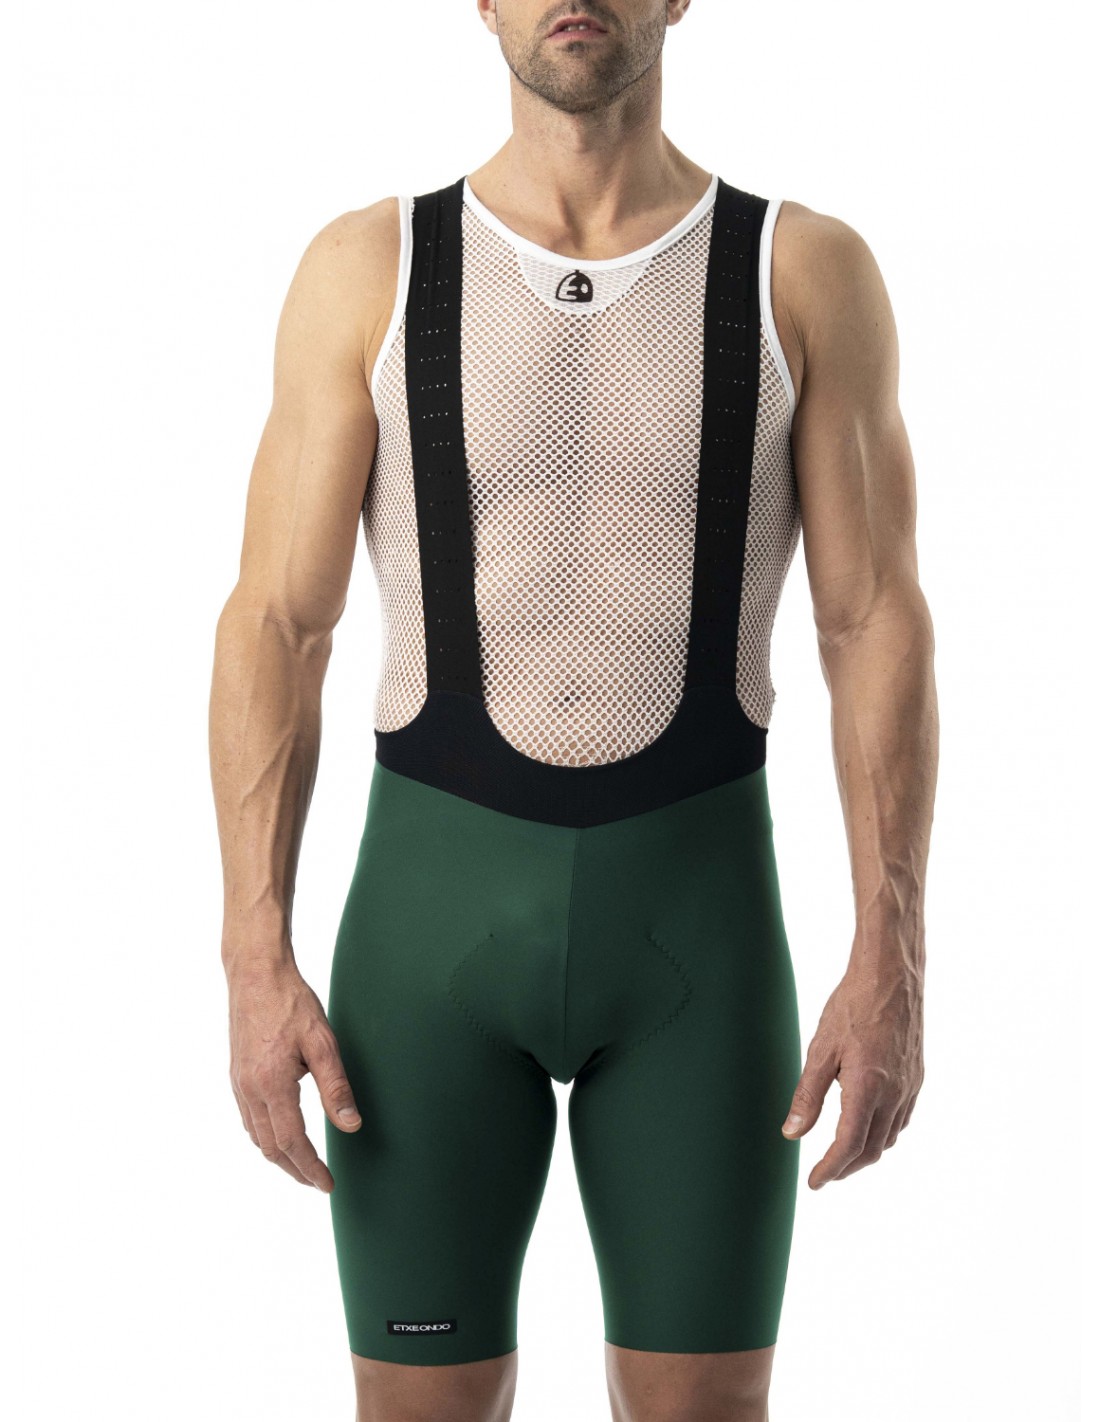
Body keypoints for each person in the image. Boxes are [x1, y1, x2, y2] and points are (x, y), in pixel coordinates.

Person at [208, 2, 938, 1418]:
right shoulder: (371, 267)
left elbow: (873, 624)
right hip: (428, 949)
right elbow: (276, 626)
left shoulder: (803, 271)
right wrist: (252, 951)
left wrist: (892, 943)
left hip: (699, 951)